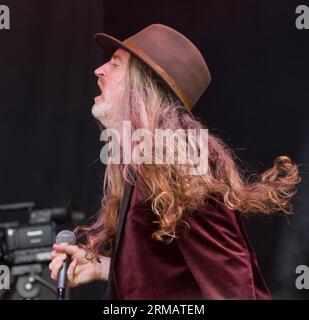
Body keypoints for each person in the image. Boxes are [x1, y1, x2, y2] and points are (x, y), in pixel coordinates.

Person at [49, 24, 301, 299]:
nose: (100, 70)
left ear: (142, 84)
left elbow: (234, 291)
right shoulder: (144, 165)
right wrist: (103, 268)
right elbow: (166, 280)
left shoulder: (181, 166)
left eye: (115, 63)